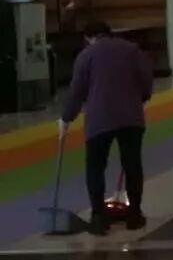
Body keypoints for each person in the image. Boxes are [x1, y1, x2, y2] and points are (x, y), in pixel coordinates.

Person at [59, 21, 153, 235]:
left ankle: (99, 218)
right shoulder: (132, 50)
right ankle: (134, 215)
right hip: (131, 117)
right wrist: (142, 96)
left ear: (88, 38)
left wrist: (66, 118)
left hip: (99, 119)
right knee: (132, 164)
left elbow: (77, 92)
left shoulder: (86, 56)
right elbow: (146, 78)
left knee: (95, 167)